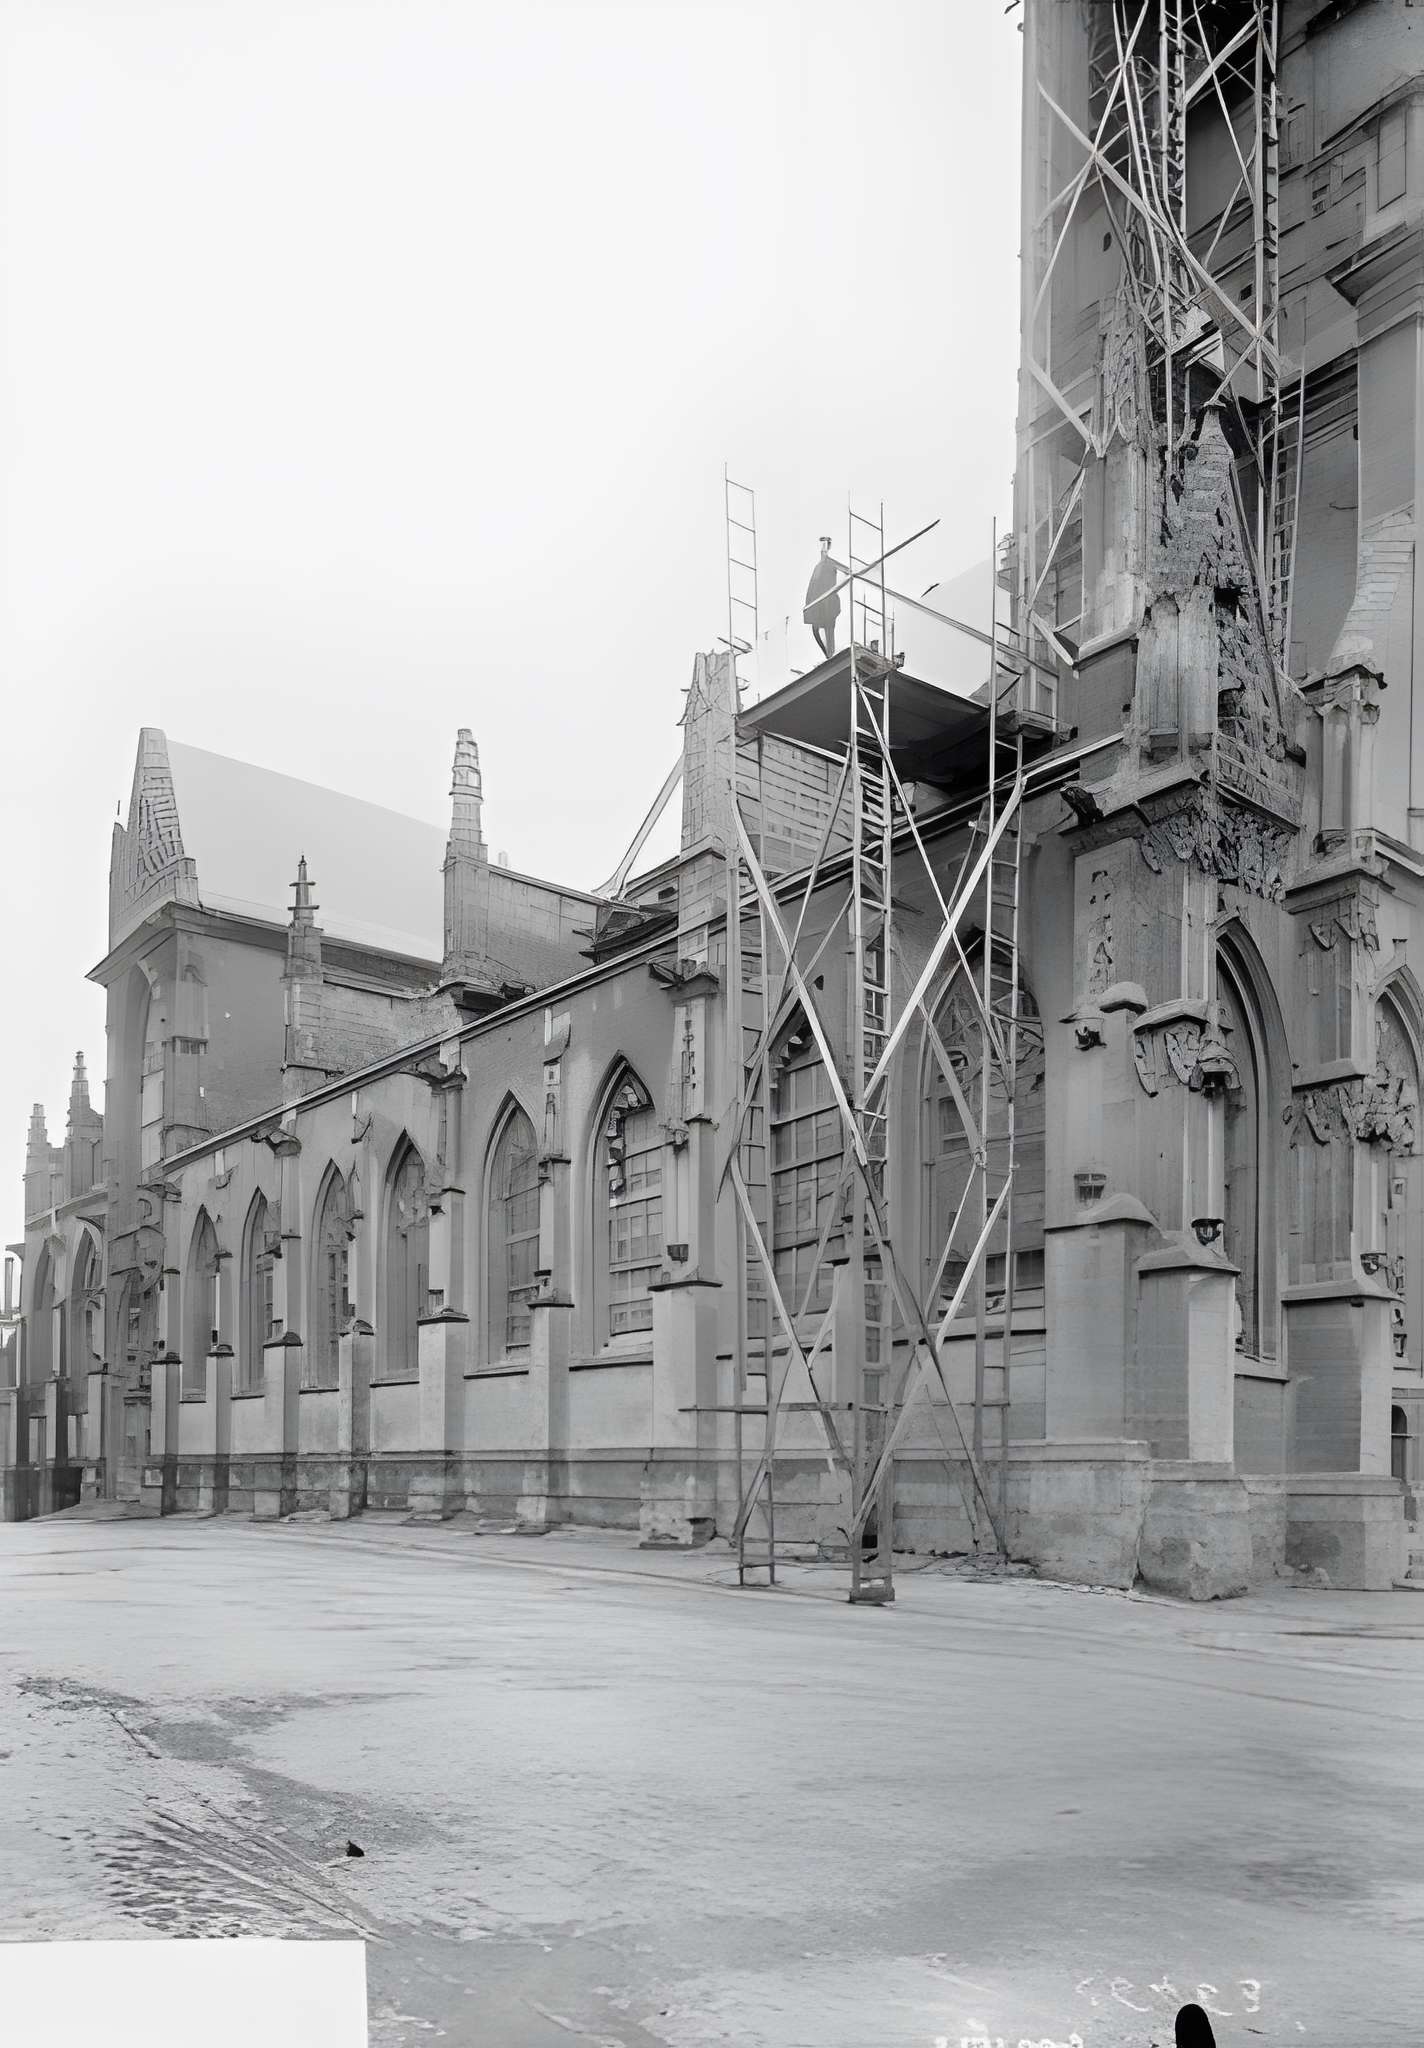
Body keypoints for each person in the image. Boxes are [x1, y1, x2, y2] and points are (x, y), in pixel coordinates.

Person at [803, 536, 841, 659]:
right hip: (821, 605)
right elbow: (813, 586)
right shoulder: (818, 567)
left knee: (829, 631)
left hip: (829, 604)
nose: (823, 550)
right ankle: (828, 655)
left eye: (826, 545)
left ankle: (830, 654)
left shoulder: (831, 564)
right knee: (819, 630)